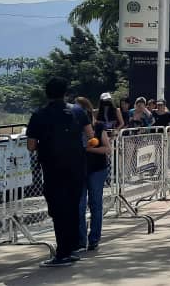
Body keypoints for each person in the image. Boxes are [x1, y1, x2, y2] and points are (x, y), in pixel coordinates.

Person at [25, 78, 91, 267]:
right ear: (65, 92)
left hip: (53, 168)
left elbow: (31, 145)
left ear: (47, 93)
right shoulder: (78, 111)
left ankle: (62, 253)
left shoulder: (39, 115)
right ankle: (71, 248)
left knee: (58, 210)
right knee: (72, 207)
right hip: (77, 167)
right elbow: (90, 134)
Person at [76, 96, 111, 252]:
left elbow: (107, 149)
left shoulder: (99, 127)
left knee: (95, 204)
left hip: (97, 169)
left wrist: (89, 150)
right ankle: (80, 240)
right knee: (79, 206)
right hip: (78, 170)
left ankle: (94, 238)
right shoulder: (73, 128)